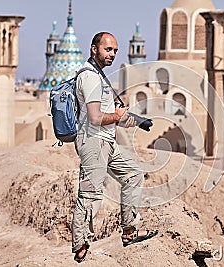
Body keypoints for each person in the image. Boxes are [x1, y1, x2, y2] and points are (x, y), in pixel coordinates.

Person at [72, 32, 158, 263]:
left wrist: (138, 121)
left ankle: (129, 231)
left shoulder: (100, 77)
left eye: (114, 51)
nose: (111, 54)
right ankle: (80, 244)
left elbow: (112, 115)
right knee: (90, 194)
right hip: (93, 141)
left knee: (133, 175)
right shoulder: (89, 77)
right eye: (107, 49)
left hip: (107, 142)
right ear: (94, 49)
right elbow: (95, 117)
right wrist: (117, 115)